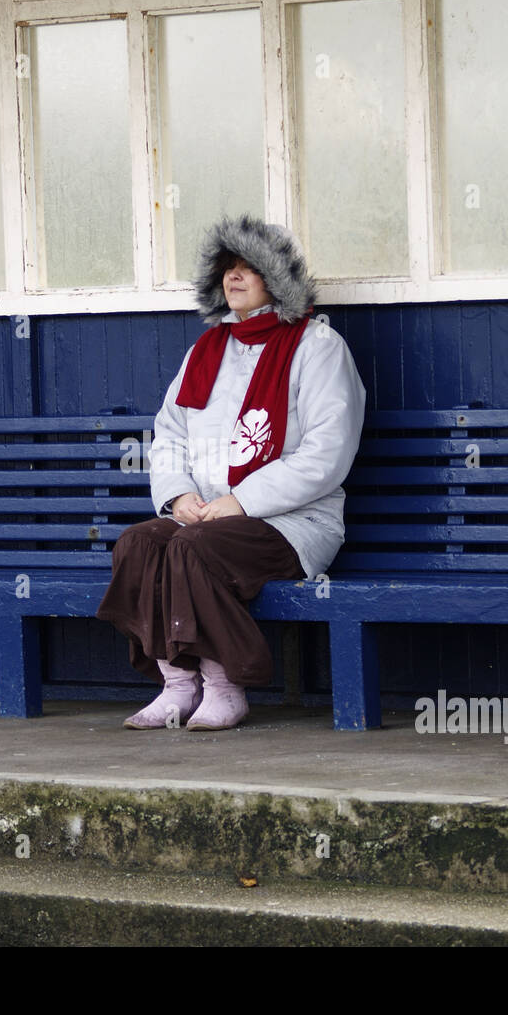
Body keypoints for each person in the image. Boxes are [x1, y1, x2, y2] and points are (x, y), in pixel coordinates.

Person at [96, 214, 367, 730]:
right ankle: (178, 686)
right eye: (228, 267)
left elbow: (327, 453)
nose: (234, 277)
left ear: (278, 280)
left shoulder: (317, 347)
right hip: (207, 517)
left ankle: (226, 687)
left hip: (293, 522)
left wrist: (241, 502)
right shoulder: (207, 350)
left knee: (193, 549)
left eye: (250, 267)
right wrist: (179, 497)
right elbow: (170, 432)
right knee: (139, 543)